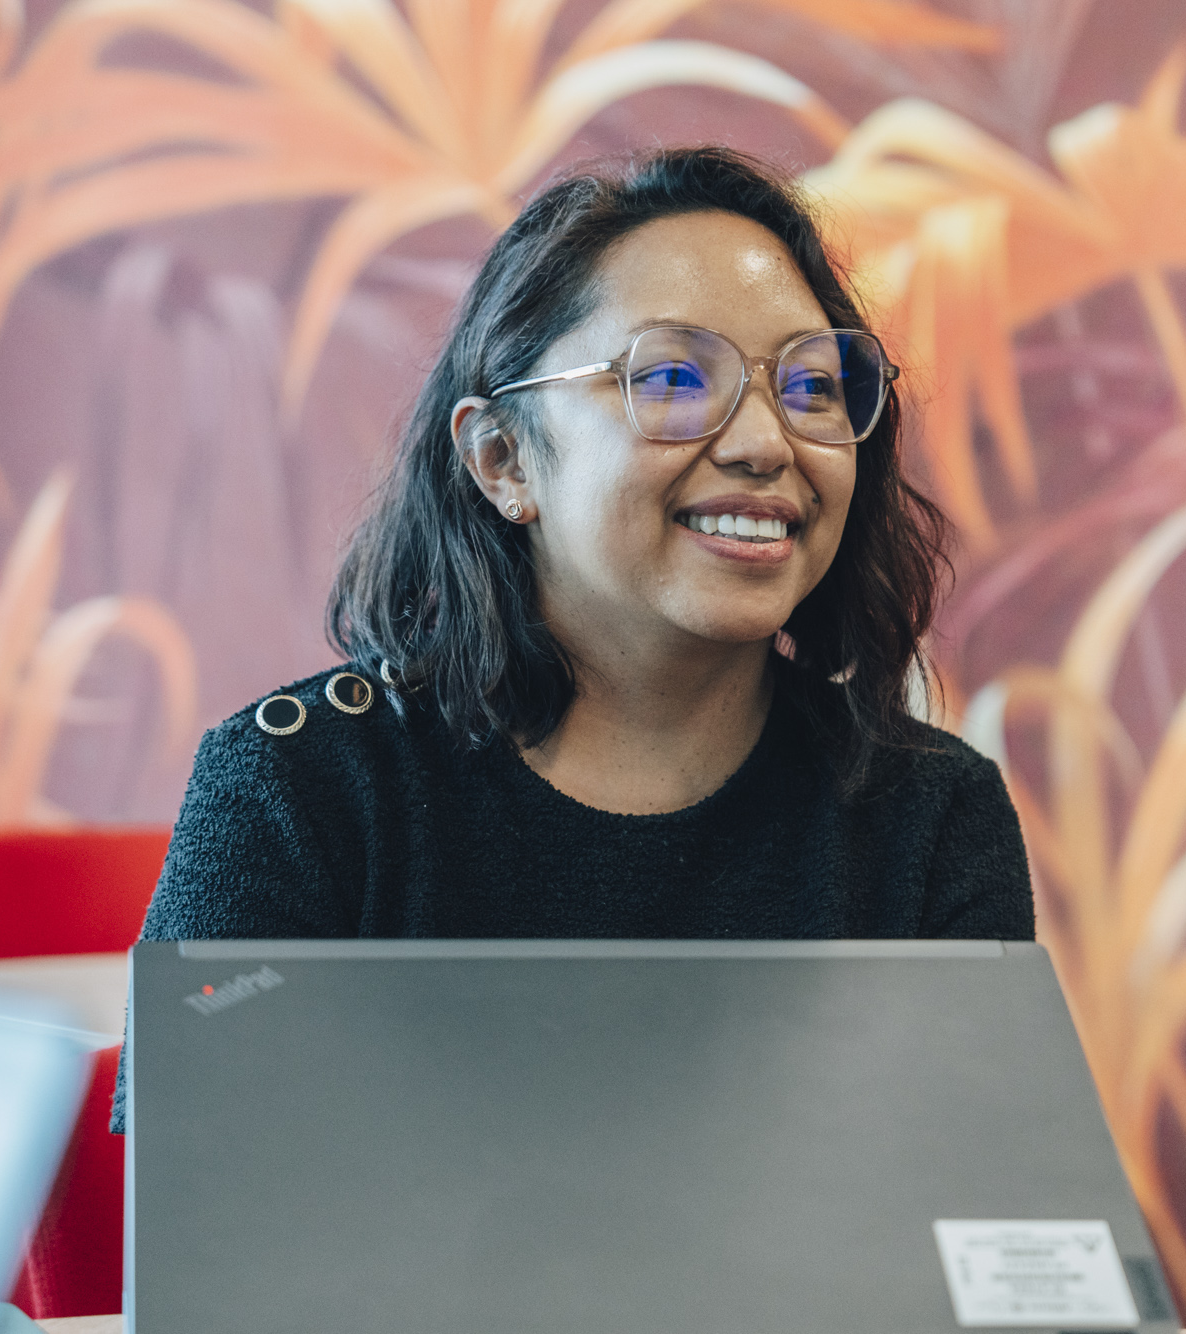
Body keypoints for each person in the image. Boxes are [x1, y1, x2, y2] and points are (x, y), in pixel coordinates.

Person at [112, 147, 1033, 1130]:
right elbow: (210, 1231)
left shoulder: (930, 815)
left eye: (812, 385)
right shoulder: (301, 792)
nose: (768, 443)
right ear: (502, 459)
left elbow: (982, 1223)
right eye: (675, 375)